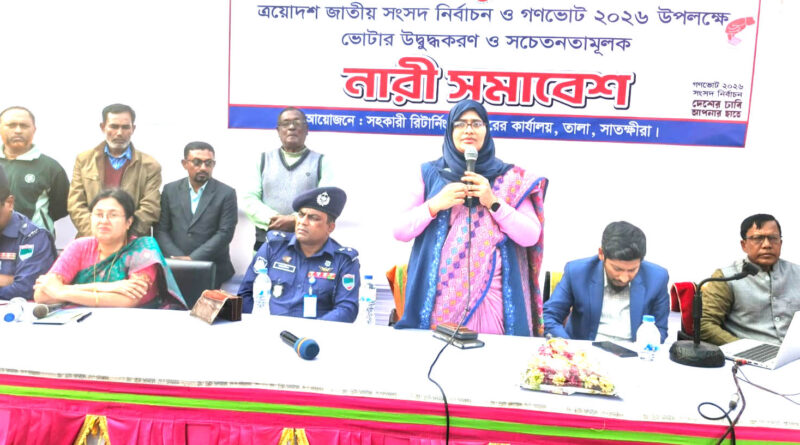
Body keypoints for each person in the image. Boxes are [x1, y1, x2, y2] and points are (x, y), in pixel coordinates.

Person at [393, 100, 547, 336]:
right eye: (460, 124)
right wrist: (435, 204)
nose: (468, 130)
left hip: (494, 299)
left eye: (476, 123)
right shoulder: (430, 174)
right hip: (439, 299)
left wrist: (493, 202)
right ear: (450, 130)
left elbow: (530, 236)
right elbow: (400, 231)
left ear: (486, 130)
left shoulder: (511, 178)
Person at [34, 189, 186, 309]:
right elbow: (41, 294)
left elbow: (128, 300)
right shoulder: (79, 246)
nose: (104, 221)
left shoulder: (143, 249)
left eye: (113, 215)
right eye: (98, 214)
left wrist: (61, 291)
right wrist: (111, 287)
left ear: (128, 222)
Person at [237, 186, 359, 322]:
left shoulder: (343, 260)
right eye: (301, 215)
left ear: (330, 227)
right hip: (269, 328)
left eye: (313, 218)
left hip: (316, 333)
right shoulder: (273, 247)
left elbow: (347, 308)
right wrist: (259, 324)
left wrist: (313, 330)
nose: (303, 222)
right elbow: (245, 294)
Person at [542, 221, 670, 343]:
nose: (624, 278)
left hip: (634, 352)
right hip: (585, 352)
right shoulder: (577, 272)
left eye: (632, 270)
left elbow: (660, 329)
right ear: (601, 254)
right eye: (617, 269)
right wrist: (569, 347)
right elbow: (549, 315)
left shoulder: (657, 278)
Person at [242, 107, 333, 250]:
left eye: (297, 123)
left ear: (307, 129)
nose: (291, 127)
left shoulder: (322, 162)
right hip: (266, 244)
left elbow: (325, 202)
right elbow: (249, 199)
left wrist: (296, 219)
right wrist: (274, 219)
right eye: (285, 123)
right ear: (278, 131)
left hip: (307, 247)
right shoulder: (262, 160)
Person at [701, 214, 800, 345]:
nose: (767, 245)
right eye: (758, 238)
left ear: (780, 243)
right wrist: (744, 348)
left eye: (773, 238)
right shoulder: (725, 277)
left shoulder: (797, 273)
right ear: (744, 245)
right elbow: (705, 324)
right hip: (749, 354)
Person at [68, 103, 161, 238]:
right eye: (114, 126)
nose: (119, 133)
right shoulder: (84, 160)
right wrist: (97, 234)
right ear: (103, 127)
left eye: (125, 127)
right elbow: (75, 204)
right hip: (92, 240)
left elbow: (150, 208)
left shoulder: (150, 165)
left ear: (133, 129)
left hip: (132, 241)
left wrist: (123, 236)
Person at [157, 141, 238, 288]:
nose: (203, 168)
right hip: (173, 267)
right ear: (184, 164)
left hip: (213, 268)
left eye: (208, 163)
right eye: (197, 162)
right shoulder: (170, 190)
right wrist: (178, 260)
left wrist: (193, 259)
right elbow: (161, 230)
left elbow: (225, 233)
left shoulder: (226, 193)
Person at [0, 106, 70, 235]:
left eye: (24, 126)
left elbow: (62, 208)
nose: (18, 130)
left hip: (33, 240)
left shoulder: (50, 167)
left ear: (34, 130)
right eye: (11, 125)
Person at [0, 165, 57, 300]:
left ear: (9, 203)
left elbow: (25, 288)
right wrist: (7, 279)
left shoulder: (34, 236)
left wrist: (13, 282)